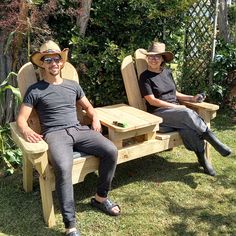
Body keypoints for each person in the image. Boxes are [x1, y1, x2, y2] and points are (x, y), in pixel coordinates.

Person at [16, 40, 120, 236]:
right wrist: (26, 130)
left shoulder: (73, 86)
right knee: (63, 167)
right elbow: (21, 119)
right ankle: (70, 225)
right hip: (55, 134)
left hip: (78, 129)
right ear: (42, 64)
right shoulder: (35, 90)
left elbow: (88, 108)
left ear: (61, 63)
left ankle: (100, 198)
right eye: (48, 60)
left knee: (111, 151)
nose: (53, 63)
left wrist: (95, 118)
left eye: (56, 59)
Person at [139, 41, 232, 177]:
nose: (153, 59)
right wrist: (176, 106)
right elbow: (152, 100)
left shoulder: (167, 73)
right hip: (159, 115)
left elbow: (175, 93)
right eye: (151, 56)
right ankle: (213, 140)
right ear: (147, 58)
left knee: (188, 127)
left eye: (157, 57)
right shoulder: (145, 77)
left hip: (177, 114)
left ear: (162, 59)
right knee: (186, 113)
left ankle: (202, 159)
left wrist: (192, 98)